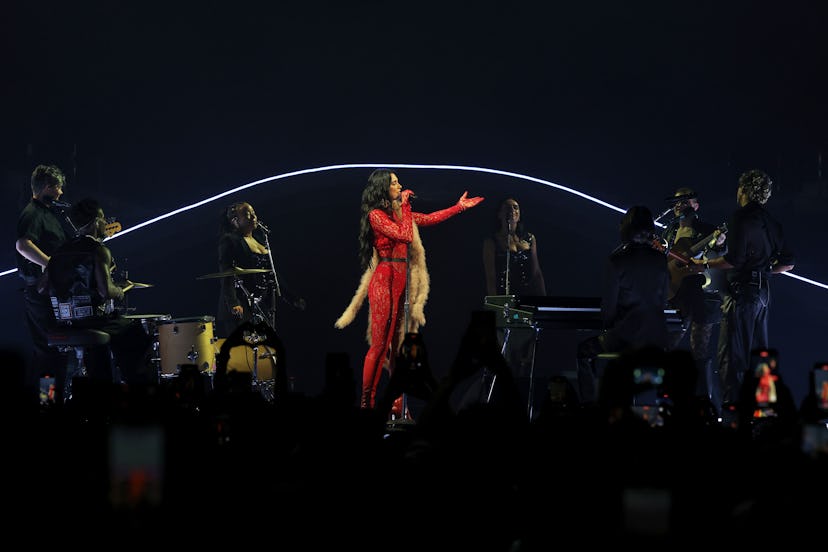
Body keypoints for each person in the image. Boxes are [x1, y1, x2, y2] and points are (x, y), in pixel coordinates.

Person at [334, 168, 484, 411]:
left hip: (401, 280)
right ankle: (366, 403)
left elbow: (429, 218)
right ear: (383, 188)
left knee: (397, 346)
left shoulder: (398, 214)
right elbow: (405, 236)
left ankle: (396, 403)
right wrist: (405, 206)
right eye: (394, 183)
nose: (400, 186)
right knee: (380, 345)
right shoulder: (376, 215)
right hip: (384, 279)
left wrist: (458, 207)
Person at [692, 169, 794, 413]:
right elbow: (789, 263)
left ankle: (734, 412)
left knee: (732, 353)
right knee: (760, 355)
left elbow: (734, 260)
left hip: (742, 293)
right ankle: (764, 410)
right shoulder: (772, 222)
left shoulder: (740, 218)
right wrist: (765, 270)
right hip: (764, 294)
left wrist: (704, 264)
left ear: (745, 190)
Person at [38, 198, 155, 389]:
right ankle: (139, 391)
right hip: (93, 320)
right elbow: (105, 290)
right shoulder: (99, 250)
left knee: (97, 348)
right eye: (103, 219)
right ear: (95, 222)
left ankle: (85, 391)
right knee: (134, 334)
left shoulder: (60, 251)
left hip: (65, 322)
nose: (105, 223)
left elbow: (41, 288)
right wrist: (120, 291)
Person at [576, 205, 672, 405]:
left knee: (584, 352)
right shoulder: (661, 260)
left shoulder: (616, 260)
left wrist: (609, 328)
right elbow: (662, 300)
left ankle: (590, 407)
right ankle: (647, 408)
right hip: (656, 337)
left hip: (626, 337)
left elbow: (609, 308)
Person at [660, 187, 728, 413]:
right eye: (677, 202)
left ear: (696, 205)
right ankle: (667, 397)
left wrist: (720, 243)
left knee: (699, 348)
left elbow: (721, 252)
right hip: (675, 294)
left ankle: (703, 404)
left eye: (685, 202)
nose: (680, 206)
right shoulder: (669, 230)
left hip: (702, 296)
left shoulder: (707, 229)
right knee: (667, 344)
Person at [15, 164, 73, 404]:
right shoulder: (33, 213)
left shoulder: (49, 213)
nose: (61, 192)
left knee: (56, 351)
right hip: (40, 295)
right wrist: (50, 263)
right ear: (48, 187)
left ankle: (52, 401)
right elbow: (23, 245)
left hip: (50, 293)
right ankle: (46, 402)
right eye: (58, 187)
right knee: (47, 352)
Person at [215, 201, 305, 338]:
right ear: (235, 221)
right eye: (247, 214)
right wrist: (233, 303)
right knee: (247, 347)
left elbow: (272, 274)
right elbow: (227, 273)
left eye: (253, 213)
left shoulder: (260, 240)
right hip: (241, 303)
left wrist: (292, 298)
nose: (253, 217)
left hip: (260, 304)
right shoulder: (230, 240)